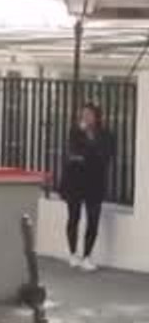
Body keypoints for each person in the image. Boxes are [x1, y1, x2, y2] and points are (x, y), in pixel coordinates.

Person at [62, 102, 114, 272]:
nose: (85, 117)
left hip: (95, 183)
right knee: (73, 218)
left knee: (93, 220)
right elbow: (72, 154)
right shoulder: (75, 132)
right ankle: (72, 254)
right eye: (83, 113)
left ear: (96, 116)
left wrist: (89, 146)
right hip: (76, 182)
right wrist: (84, 154)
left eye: (89, 114)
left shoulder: (105, 135)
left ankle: (87, 256)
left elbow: (105, 156)